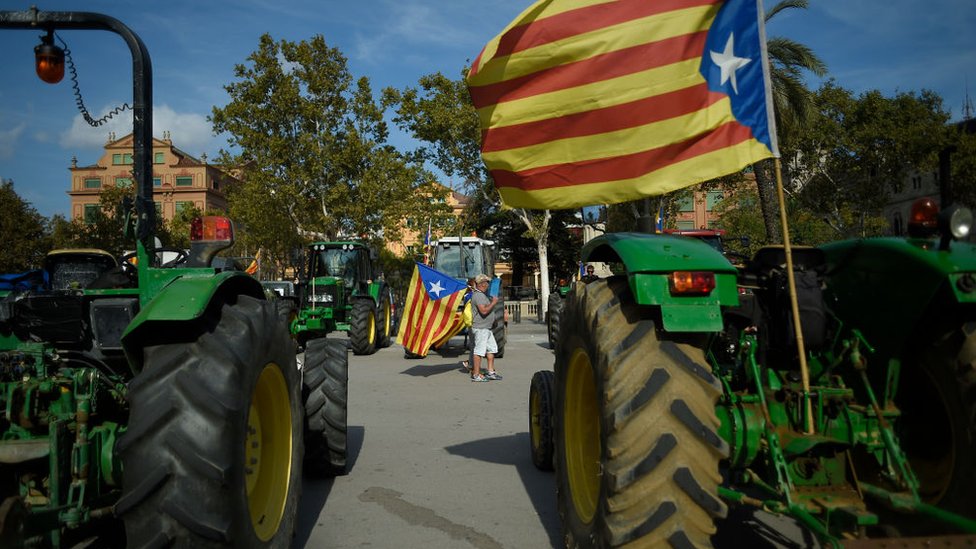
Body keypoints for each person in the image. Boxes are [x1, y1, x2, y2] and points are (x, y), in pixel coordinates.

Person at [469, 273, 502, 382]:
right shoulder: (478, 296)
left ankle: (490, 371)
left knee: (492, 348)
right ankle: (476, 374)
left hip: (486, 328)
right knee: (479, 351)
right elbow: (483, 311)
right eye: (487, 282)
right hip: (481, 328)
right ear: (482, 284)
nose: (488, 285)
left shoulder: (482, 295)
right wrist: (493, 302)